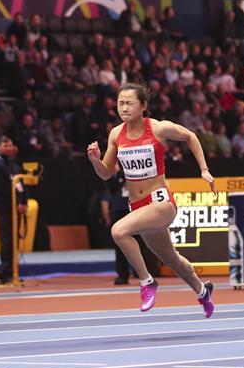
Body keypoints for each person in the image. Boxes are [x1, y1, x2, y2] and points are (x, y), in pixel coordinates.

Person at [87, 83, 216, 317]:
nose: (124, 108)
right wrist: (96, 161)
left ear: (143, 106)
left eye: (129, 103)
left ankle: (147, 282)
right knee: (172, 259)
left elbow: (190, 136)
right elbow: (106, 172)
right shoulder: (116, 134)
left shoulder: (157, 128)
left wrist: (204, 169)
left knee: (118, 231)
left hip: (161, 203)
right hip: (138, 206)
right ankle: (202, 291)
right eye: (120, 103)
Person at [0, 136, 26, 284]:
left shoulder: (14, 165)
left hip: (15, 208)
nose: (8, 148)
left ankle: (13, 271)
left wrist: (23, 202)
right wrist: (14, 203)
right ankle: (5, 273)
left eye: (10, 145)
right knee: (6, 240)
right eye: (5, 146)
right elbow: (2, 189)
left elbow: (21, 185)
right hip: (3, 207)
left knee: (14, 240)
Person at [100, 171, 132, 284]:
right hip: (119, 212)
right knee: (120, 245)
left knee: (142, 242)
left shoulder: (138, 170)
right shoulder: (115, 177)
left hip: (135, 210)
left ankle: (145, 273)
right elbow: (107, 195)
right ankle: (123, 275)